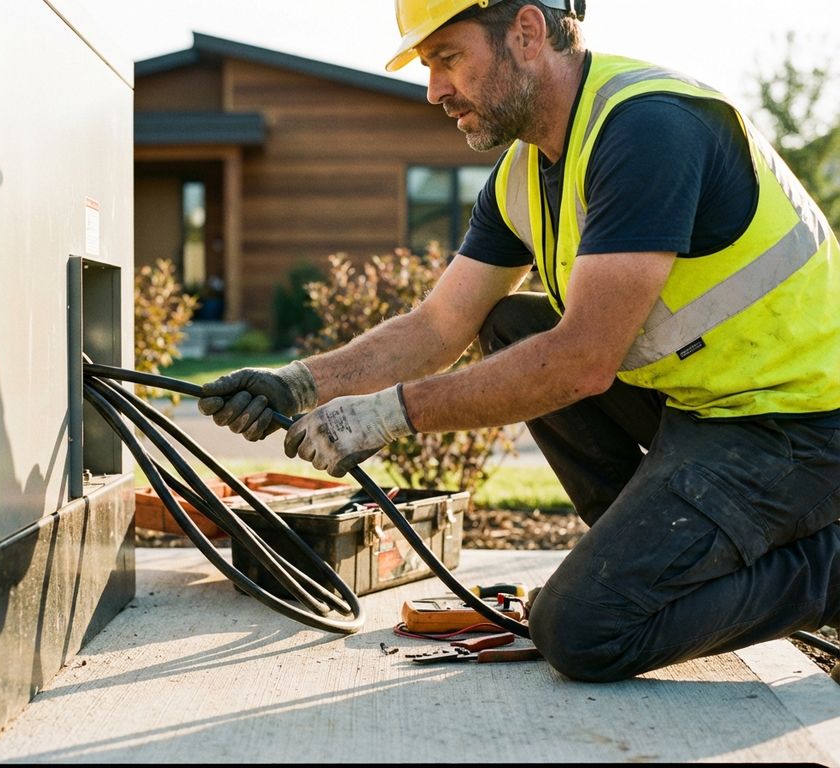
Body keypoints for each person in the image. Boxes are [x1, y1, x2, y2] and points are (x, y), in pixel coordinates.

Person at [197, 0, 840, 682]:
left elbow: (583, 363)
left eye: (448, 58)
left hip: (799, 425)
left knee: (585, 632)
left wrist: (385, 415)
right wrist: (299, 383)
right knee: (506, 323)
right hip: (706, 409)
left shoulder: (649, 128)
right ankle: (646, 559)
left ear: (528, 34)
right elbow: (440, 325)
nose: (434, 90)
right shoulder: (522, 176)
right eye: (427, 67)